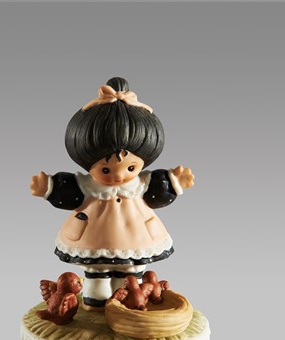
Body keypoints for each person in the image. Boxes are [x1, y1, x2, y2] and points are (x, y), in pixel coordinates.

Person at [30, 77, 194, 310]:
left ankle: (127, 301)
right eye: (106, 170)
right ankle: (96, 300)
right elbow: (68, 193)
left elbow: (158, 193)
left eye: (130, 168)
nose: (119, 176)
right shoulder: (86, 185)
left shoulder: (141, 184)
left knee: (131, 273)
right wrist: (48, 188)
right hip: (94, 237)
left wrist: (175, 182)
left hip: (136, 236)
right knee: (96, 272)